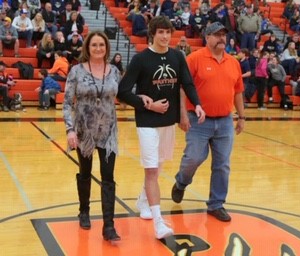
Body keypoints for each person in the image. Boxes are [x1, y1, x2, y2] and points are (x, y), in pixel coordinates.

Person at [117, 16, 205, 239]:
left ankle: (143, 200)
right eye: (161, 32)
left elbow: (187, 83)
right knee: (152, 170)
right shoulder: (141, 59)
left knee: (159, 165)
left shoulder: (177, 56)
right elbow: (123, 91)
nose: (165, 37)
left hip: (169, 122)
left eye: (168, 32)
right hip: (147, 122)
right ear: (152, 34)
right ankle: (158, 223)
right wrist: (146, 102)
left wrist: (198, 105)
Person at [171, 22, 245, 223]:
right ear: (207, 38)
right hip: (198, 120)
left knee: (222, 164)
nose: (222, 38)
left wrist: (242, 116)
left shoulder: (233, 62)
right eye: (217, 35)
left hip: (225, 121)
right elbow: (181, 89)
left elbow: (238, 91)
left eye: (224, 35)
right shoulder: (194, 59)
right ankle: (181, 182)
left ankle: (216, 204)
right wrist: (183, 115)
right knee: (194, 158)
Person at [62, 31, 121, 242]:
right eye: (94, 45)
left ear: (107, 48)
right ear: (87, 47)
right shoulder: (76, 71)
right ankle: (84, 210)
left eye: (102, 45)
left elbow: (123, 94)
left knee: (108, 178)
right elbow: (67, 103)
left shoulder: (114, 71)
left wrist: (143, 99)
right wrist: (70, 130)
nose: (98, 49)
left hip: (108, 132)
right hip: (83, 131)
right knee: (85, 173)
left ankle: (109, 225)